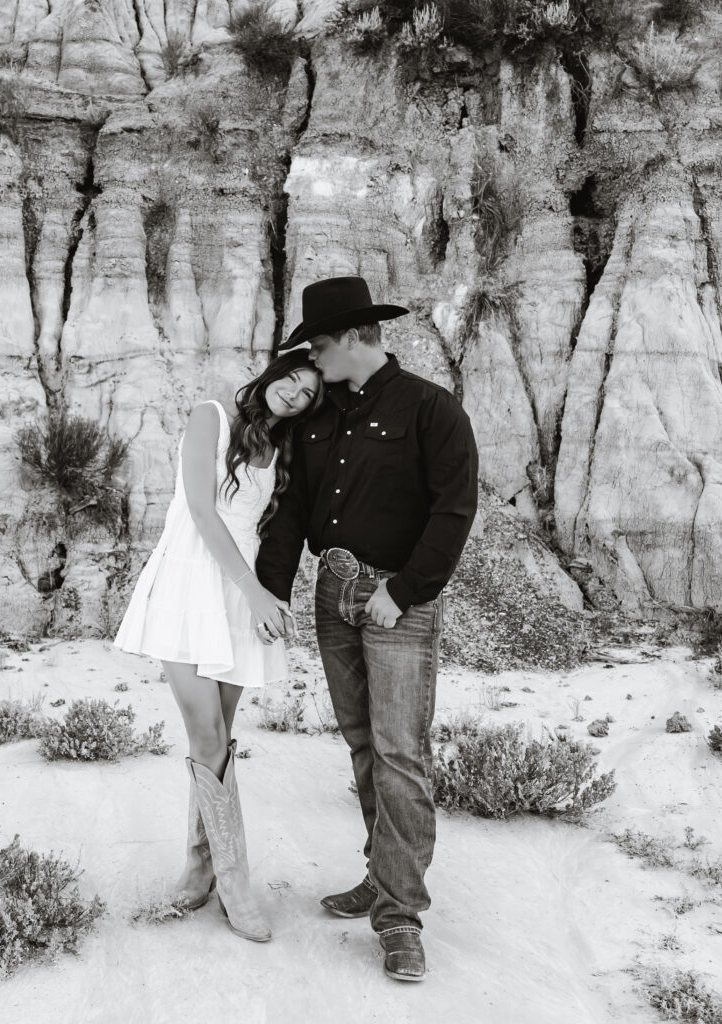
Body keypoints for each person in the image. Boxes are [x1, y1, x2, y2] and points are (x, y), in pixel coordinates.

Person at [254, 276, 478, 980]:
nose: (312, 358)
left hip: (395, 600)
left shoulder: (430, 408)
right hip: (333, 592)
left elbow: (453, 510)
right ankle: (381, 877)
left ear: (355, 338)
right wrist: (270, 591)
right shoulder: (318, 417)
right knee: (361, 746)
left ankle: (400, 915)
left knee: (399, 754)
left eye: (319, 345)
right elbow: (291, 510)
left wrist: (403, 592)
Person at [114, 349, 323, 942]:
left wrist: (265, 596)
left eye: (309, 393)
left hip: (238, 598)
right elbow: (203, 514)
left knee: (220, 741)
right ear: (273, 373)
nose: (295, 394)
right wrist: (255, 593)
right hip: (189, 586)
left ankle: (201, 869)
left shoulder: (282, 449)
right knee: (206, 735)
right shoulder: (211, 416)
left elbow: (274, 531)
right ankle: (234, 885)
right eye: (292, 379)